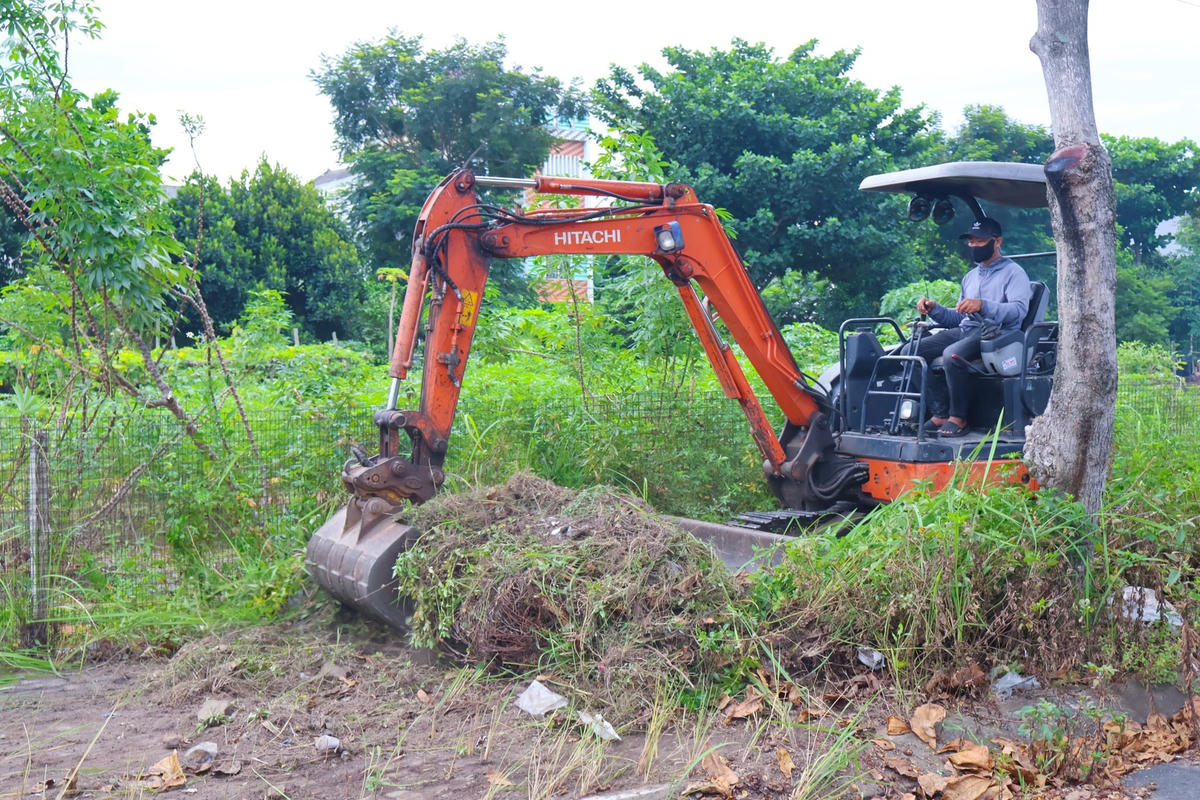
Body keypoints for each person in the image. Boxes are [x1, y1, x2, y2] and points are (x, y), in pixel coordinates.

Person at [911, 217, 1032, 437]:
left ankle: (958, 418)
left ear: (997, 242)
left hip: (996, 333)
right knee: (912, 350)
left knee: (952, 355)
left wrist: (983, 305)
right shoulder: (970, 277)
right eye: (971, 241)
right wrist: (934, 309)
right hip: (967, 330)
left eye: (980, 241)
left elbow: (1018, 310)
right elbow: (957, 318)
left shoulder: (1014, 273)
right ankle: (940, 412)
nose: (974, 245)